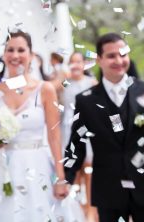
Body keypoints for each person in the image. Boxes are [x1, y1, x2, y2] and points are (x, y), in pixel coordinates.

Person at [64, 33, 144, 222]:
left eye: (123, 54)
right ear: (99, 60)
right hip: (108, 191)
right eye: (111, 56)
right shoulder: (85, 101)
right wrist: (66, 179)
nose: (119, 60)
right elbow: (76, 144)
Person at [0, 31, 84, 222]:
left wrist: (61, 177)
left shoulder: (44, 89)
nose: (15, 55)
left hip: (37, 166)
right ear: (4, 55)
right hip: (4, 169)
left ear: (31, 54)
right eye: (10, 50)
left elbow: (55, 137)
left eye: (21, 50)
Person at [60, 52, 98, 220]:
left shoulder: (91, 83)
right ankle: (74, 212)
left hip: (87, 128)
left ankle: (91, 211)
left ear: (84, 64)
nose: (75, 65)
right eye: (72, 62)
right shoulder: (64, 84)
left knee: (89, 170)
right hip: (68, 128)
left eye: (78, 62)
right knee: (72, 172)